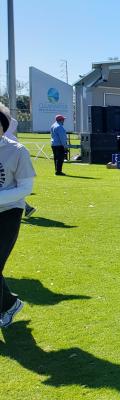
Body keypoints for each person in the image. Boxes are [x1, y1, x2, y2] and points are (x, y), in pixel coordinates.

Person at [0, 103, 35, 328]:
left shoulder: (17, 151)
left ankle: (8, 305)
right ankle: (9, 304)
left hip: (9, 212)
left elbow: (25, 188)